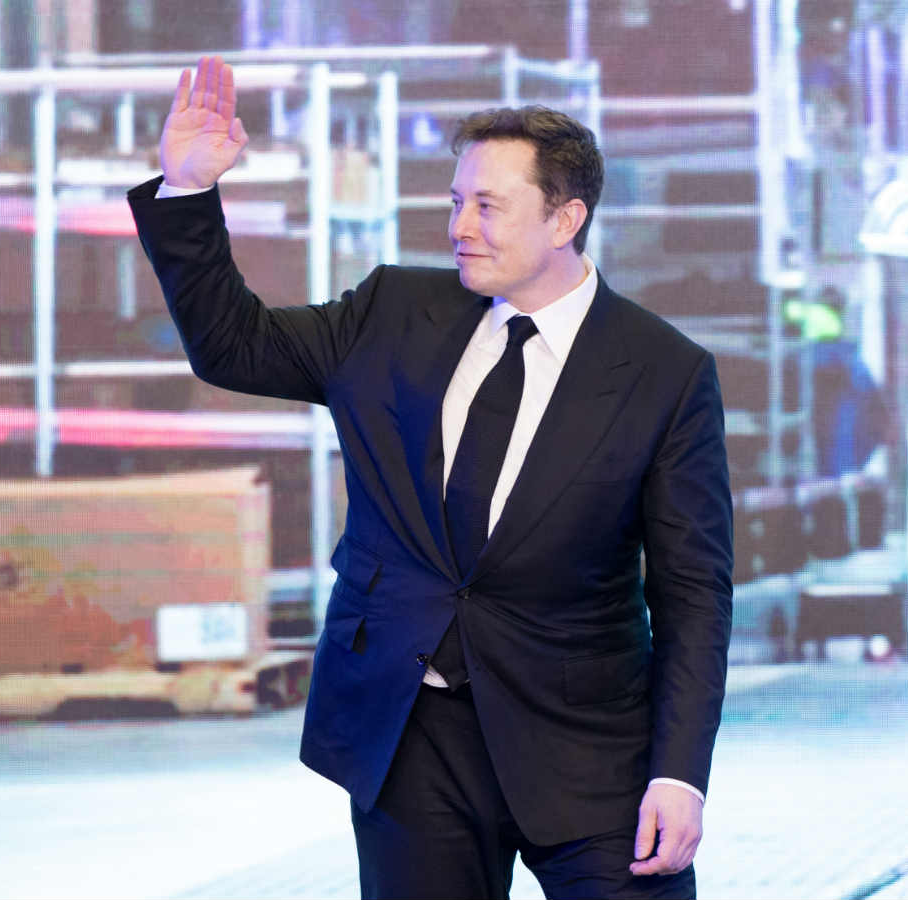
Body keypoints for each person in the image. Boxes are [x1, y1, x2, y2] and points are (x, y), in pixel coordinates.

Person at [128, 56, 733, 900]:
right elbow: (234, 346)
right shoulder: (391, 313)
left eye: (488, 206)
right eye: (455, 202)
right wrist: (189, 189)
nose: (460, 227)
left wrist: (679, 774)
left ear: (565, 220)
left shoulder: (664, 372)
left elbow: (693, 593)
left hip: (587, 747)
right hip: (410, 739)